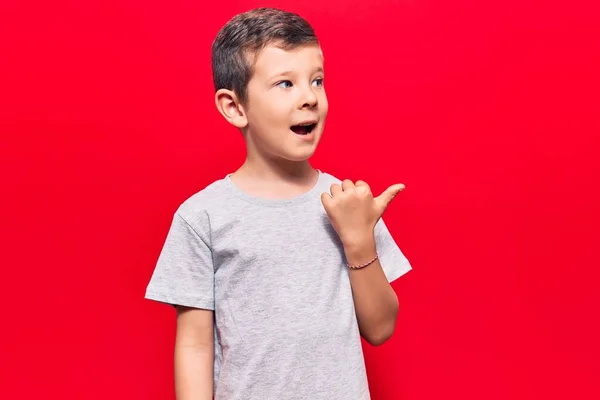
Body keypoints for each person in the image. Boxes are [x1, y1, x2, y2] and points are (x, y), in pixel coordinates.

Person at [145, 7, 412, 400]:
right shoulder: (201, 217)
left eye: (317, 80)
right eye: (285, 84)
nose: (309, 97)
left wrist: (359, 241)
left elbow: (380, 328)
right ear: (235, 107)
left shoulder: (347, 202)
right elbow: (195, 345)